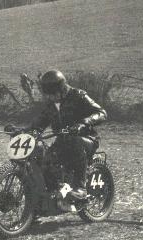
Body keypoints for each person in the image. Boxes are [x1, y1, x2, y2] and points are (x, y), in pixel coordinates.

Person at [31, 70, 107, 201]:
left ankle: (80, 188)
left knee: (74, 142)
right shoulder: (51, 104)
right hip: (63, 142)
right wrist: (24, 130)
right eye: (48, 95)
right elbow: (39, 123)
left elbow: (101, 112)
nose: (50, 97)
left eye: (53, 94)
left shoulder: (78, 96)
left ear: (61, 89)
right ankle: (44, 203)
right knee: (45, 161)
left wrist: (84, 123)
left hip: (87, 139)